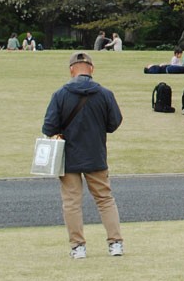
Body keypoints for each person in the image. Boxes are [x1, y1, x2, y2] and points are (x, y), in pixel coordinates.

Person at [41, 51, 124, 259]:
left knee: (71, 203)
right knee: (105, 200)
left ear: (71, 70)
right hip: (96, 154)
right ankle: (115, 244)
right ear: (92, 70)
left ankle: (78, 247)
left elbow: (49, 127)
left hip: (68, 158)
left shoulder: (60, 94)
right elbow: (114, 123)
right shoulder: (105, 94)